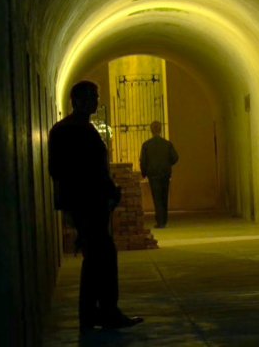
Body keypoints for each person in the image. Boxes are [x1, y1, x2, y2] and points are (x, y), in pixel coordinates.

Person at [48, 81, 143, 333]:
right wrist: (107, 192)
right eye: (92, 97)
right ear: (78, 100)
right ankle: (106, 313)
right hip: (89, 203)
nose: (96, 101)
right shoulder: (76, 130)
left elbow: (58, 171)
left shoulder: (66, 129)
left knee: (95, 259)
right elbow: (87, 170)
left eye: (96, 96)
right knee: (102, 257)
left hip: (85, 203)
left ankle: (92, 315)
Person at [140, 120, 179, 229]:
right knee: (164, 197)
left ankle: (160, 221)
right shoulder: (167, 144)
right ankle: (164, 220)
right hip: (165, 174)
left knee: (157, 198)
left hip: (153, 175)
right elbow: (175, 158)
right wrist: (167, 164)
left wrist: (144, 173)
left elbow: (143, 161)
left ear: (151, 130)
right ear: (160, 130)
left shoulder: (146, 145)